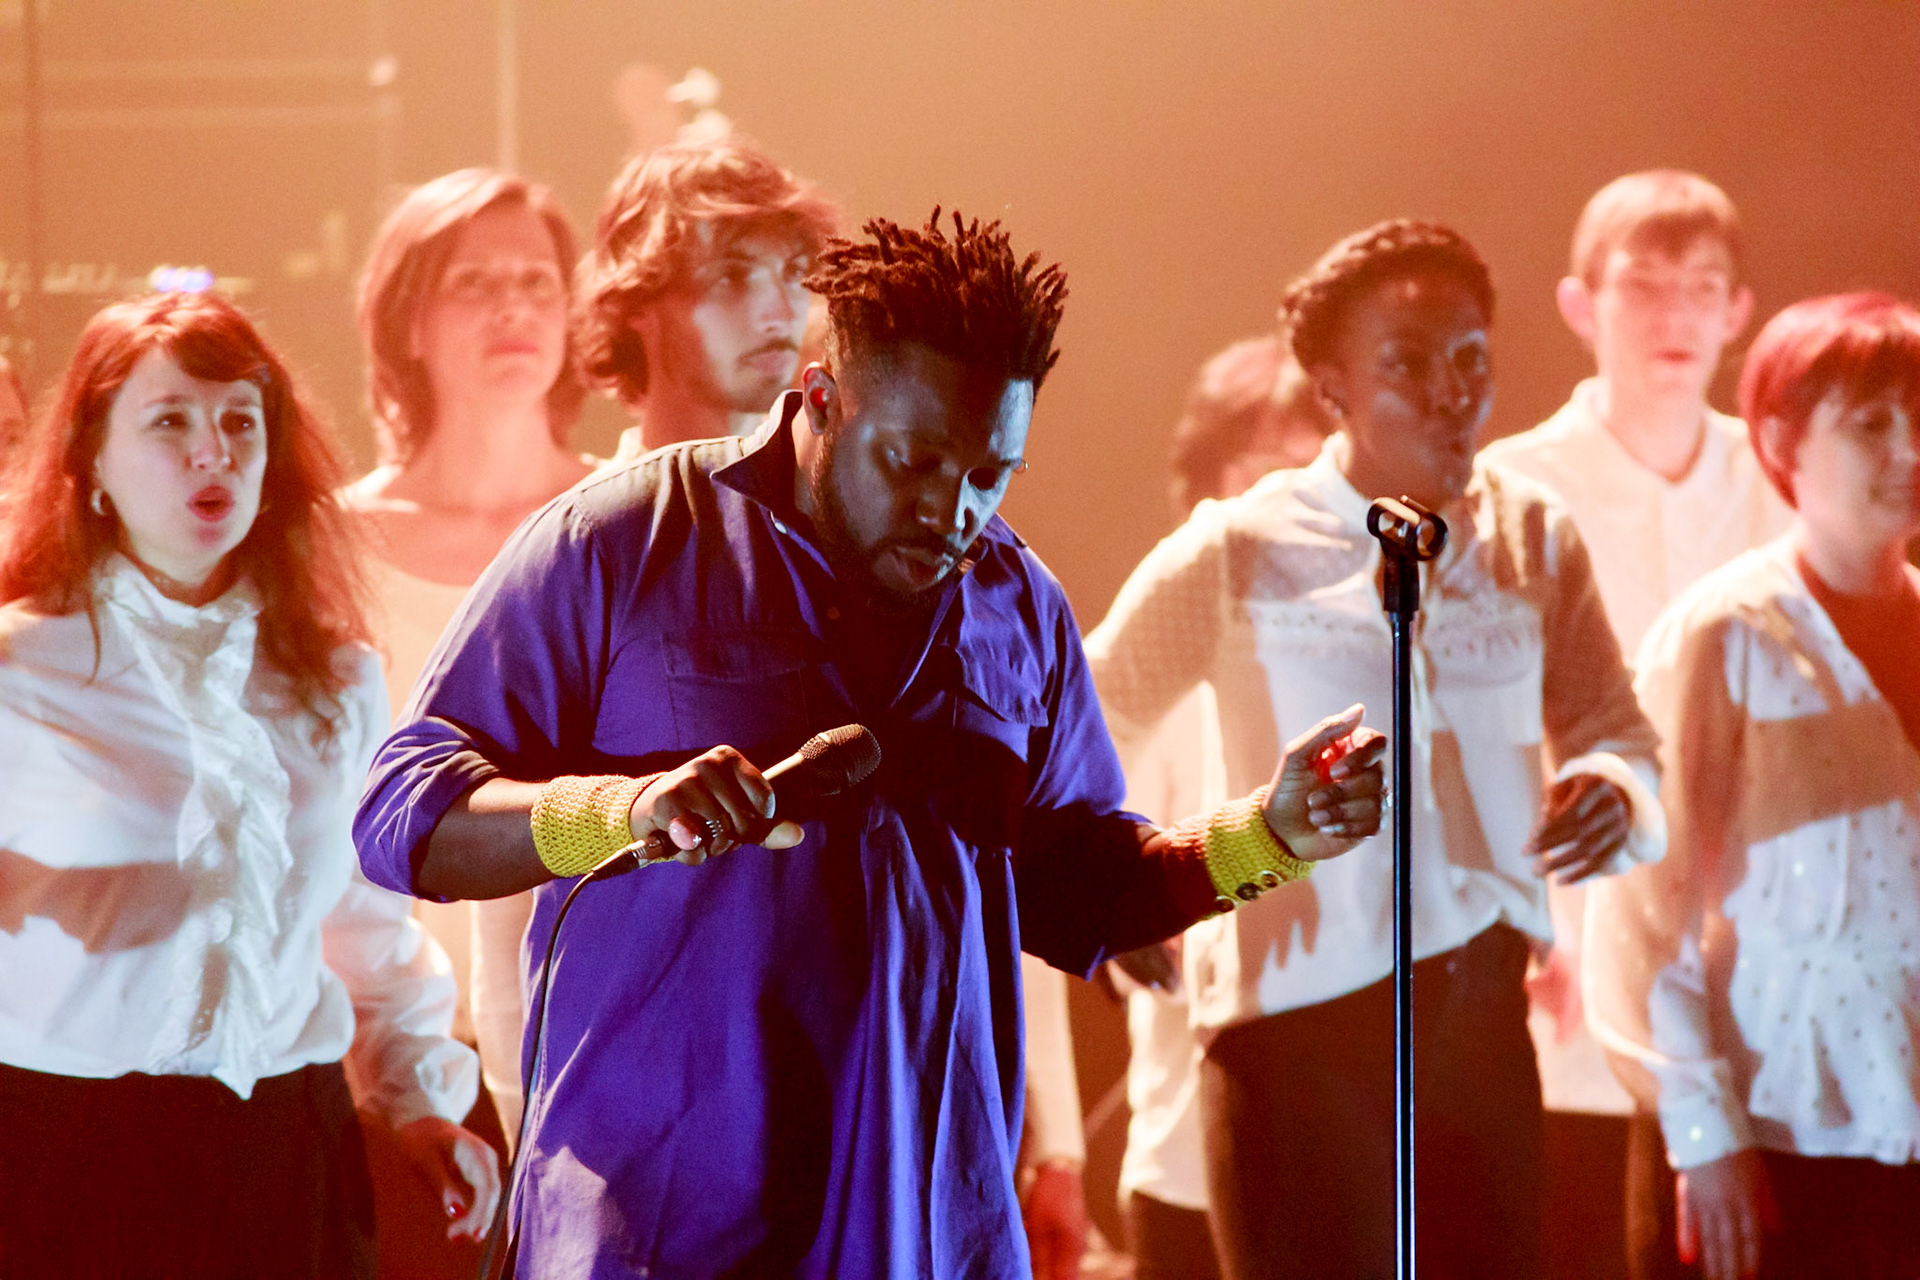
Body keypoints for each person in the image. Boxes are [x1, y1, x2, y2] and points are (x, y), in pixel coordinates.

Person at [354, 210, 1388, 1277]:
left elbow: (1083, 886)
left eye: (993, 472)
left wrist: (1269, 832)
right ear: (817, 398)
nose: (954, 507)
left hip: (930, 1234)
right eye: (915, 458)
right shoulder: (621, 537)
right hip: (657, 1234)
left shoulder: (1017, 604)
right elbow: (403, 816)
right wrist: (622, 814)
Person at [1086, 219, 1667, 1280]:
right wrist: (1125, 881)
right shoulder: (1241, 547)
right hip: (1290, 1035)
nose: (1452, 390)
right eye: (1407, 363)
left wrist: (1616, 789)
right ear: (1330, 389)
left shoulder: (1535, 534)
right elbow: (1078, 715)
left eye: (1471, 359)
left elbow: (1617, 730)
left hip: (1482, 1021)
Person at [0, 292, 498, 1278]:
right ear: (92, 463)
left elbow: (363, 916)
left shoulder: (337, 676)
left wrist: (420, 1100)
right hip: (65, 1137)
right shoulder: (20, 667)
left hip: (283, 1135)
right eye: (170, 421)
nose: (212, 452)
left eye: (239, 421)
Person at [1479, 170, 1790, 1278]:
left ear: (1738, 311)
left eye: (1701, 287)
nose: (1674, 315)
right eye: (1644, 285)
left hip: (1751, 947)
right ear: (1581, 304)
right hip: (1563, 941)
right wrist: (1523, 917)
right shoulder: (1507, 487)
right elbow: (1477, 734)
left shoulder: (1784, 481)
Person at [1586, 293, 1920, 1280]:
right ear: (1781, 439)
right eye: (1870, 423)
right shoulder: (1723, 633)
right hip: (1768, 1135)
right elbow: (1645, 907)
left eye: (1919, 416)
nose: (1907, 447)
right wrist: (1701, 1125)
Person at [344, 167, 596, 1157]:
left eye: (537, 281)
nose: (512, 307)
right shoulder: (332, 542)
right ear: (407, 320)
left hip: (584, 1038)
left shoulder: (624, 517)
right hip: (383, 1053)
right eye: (473, 282)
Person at [1102, 334, 1333, 1280]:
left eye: (1312, 465)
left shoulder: (1360, 641)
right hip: (1194, 1147)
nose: (1294, 492)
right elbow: (1071, 808)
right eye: (1269, 463)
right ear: (1208, 482)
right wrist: (1116, 909)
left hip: (1349, 1141)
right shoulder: (1152, 661)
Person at [575, 136, 839, 462]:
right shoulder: (586, 512)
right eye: (732, 278)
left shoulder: (831, 505)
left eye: (792, 272)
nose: (782, 313)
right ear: (636, 300)